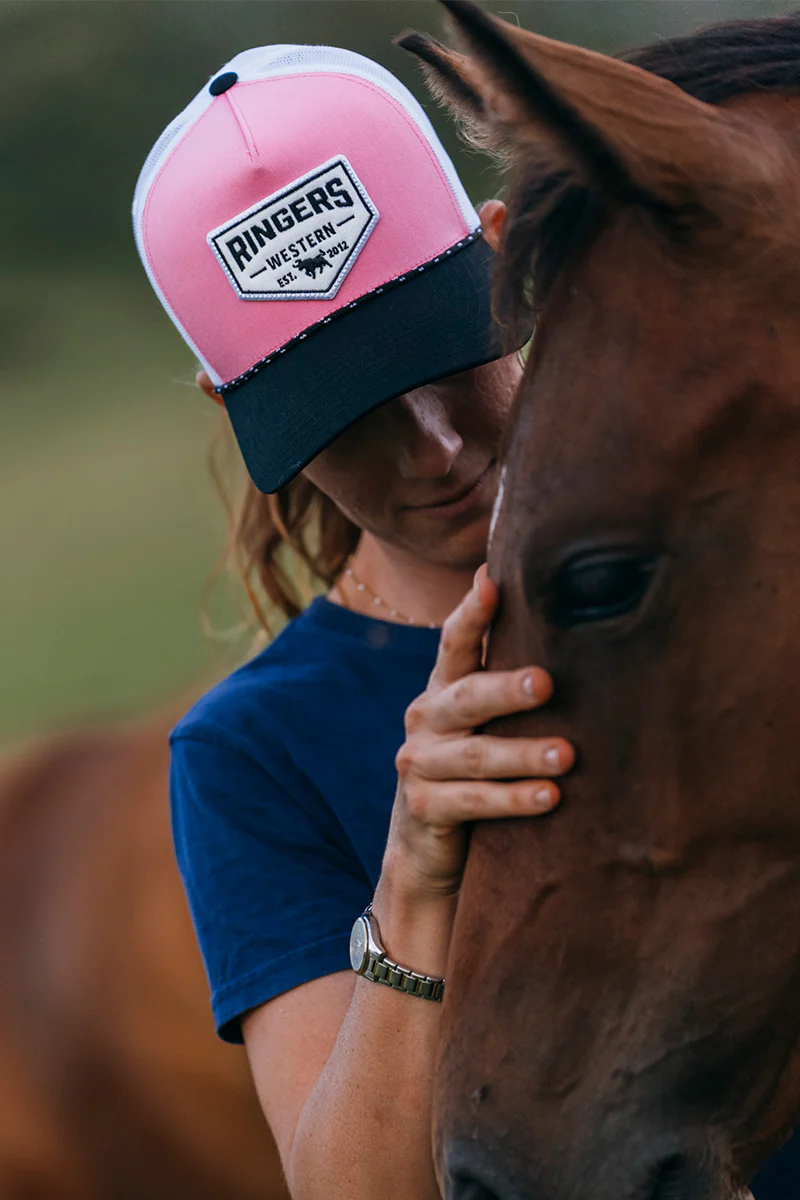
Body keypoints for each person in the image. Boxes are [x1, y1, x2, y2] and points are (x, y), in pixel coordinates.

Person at [134, 40, 798, 1200]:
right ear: (228, 407)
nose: (434, 447)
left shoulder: (730, 525)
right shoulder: (249, 757)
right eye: (347, 415)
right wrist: (412, 878)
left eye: (438, 356)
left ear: (498, 254)